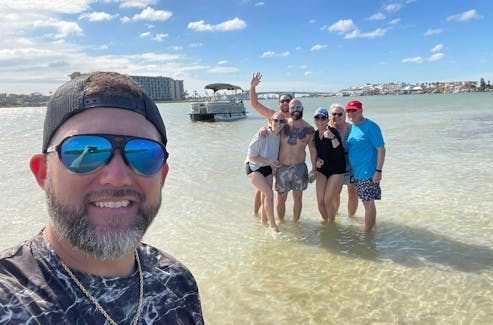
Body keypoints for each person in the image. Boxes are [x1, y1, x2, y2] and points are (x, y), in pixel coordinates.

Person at [0, 72, 204, 324]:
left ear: (161, 176)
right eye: (86, 152)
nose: (117, 176)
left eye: (144, 154)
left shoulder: (178, 281)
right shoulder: (10, 299)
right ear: (43, 172)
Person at [249, 72, 293, 218]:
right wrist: (253, 87)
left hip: (280, 160)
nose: (285, 103)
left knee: (272, 192)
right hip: (267, 158)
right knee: (262, 190)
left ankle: (271, 218)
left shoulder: (294, 120)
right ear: (279, 104)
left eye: (288, 100)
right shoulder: (273, 115)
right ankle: (256, 215)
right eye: (283, 101)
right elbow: (255, 104)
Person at [274, 98, 318, 222]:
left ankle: (295, 224)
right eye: (292, 107)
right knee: (281, 198)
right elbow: (271, 135)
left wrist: (314, 169)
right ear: (289, 109)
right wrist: (263, 131)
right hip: (281, 167)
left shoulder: (309, 129)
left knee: (298, 198)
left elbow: (313, 151)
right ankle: (280, 223)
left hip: (299, 167)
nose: (295, 110)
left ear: (302, 108)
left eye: (298, 107)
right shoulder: (282, 124)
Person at [345, 99, 386, 233]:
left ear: (361, 110)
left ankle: (368, 234)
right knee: (366, 201)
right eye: (349, 111)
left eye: (354, 110)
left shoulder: (371, 126)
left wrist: (378, 171)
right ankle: (371, 228)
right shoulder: (354, 126)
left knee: (368, 202)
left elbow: (381, 149)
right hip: (357, 171)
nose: (351, 113)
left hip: (368, 171)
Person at [245, 111, 286, 233]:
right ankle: (273, 226)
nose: (278, 123)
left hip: (267, 167)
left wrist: (274, 163)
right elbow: (252, 156)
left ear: (284, 124)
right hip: (254, 167)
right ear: (270, 121)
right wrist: (269, 161)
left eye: (281, 121)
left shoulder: (280, 135)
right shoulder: (262, 134)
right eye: (276, 120)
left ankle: (263, 222)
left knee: (266, 195)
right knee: (269, 194)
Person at [312, 107, 346, 223]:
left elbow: (340, 151)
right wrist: (315, 162)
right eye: (317, 118)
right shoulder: (315, 135)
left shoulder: (333, 131)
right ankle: (326, 224)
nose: (320, 120)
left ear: (327, 120)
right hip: (322, 169)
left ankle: (332, 224)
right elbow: (313, 152)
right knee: (320, 202)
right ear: (314, 120)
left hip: (337, 170)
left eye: (323, 118)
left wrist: (331, 137)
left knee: (327, 200)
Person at [328, 103, 358, 218]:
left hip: (352, 165)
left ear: (345, 115)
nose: (337, 116)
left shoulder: (352, 129)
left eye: (340, 114)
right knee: (336, 193)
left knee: (352, 193)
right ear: (330, 116)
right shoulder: (327, 129)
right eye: (334, 114)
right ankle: (336, 216)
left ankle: (351, 218)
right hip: (335, 166)